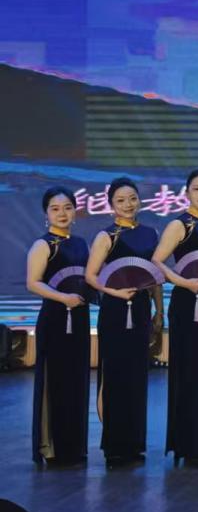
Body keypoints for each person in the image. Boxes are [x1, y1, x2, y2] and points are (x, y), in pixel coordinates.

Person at [152, 169, 198, 465]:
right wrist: (184, 282)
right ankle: (189, 443)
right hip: (188, 304)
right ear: (187, 193)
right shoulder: (179, 224)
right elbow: (157, 262)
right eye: (197, 189)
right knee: (191, 371)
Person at [85, 177, 159, 467]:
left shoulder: (150, 234)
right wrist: (115, 292)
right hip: (115, 310)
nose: (128, 204)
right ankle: (114, 446)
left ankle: (135, 443)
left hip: (140, 309)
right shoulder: (106, 236)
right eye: (120, 200)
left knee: (137, 377)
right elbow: (91, 276)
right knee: (115, 376)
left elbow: (154, 276)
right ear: (111, 205)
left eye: (132, 198)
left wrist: (159, 311)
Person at [26, 186, 91, 467]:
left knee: (77, 382)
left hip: (80, 318)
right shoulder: (43, 245)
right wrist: (63, 297)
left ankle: (74, 447)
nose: (62, 213)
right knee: (55, 382)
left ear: (75, 211)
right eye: (55, 209)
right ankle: (51, 448)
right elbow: (33, 282)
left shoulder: (81, 244)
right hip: (54, 319)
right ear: (46, 214)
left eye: (67, 208)